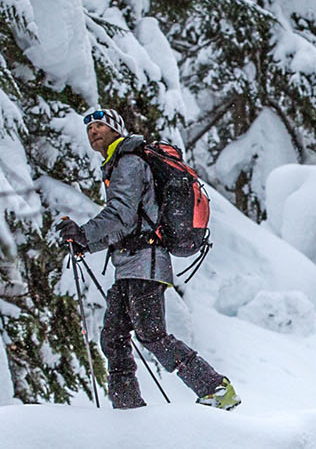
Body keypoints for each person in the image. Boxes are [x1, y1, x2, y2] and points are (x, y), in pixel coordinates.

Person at [57, 108, 240, 410]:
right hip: (131, 266)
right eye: (89, 128)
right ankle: (127, 410)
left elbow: (121, 213)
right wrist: (84, 243)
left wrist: (84, 234)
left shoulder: (128, 162)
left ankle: (215, 388)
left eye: (100, 125)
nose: (93, 131)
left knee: (151, 335)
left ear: (116, 128)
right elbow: (124, 226)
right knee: (113, 339)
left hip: (146, 264)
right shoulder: (116, 164)